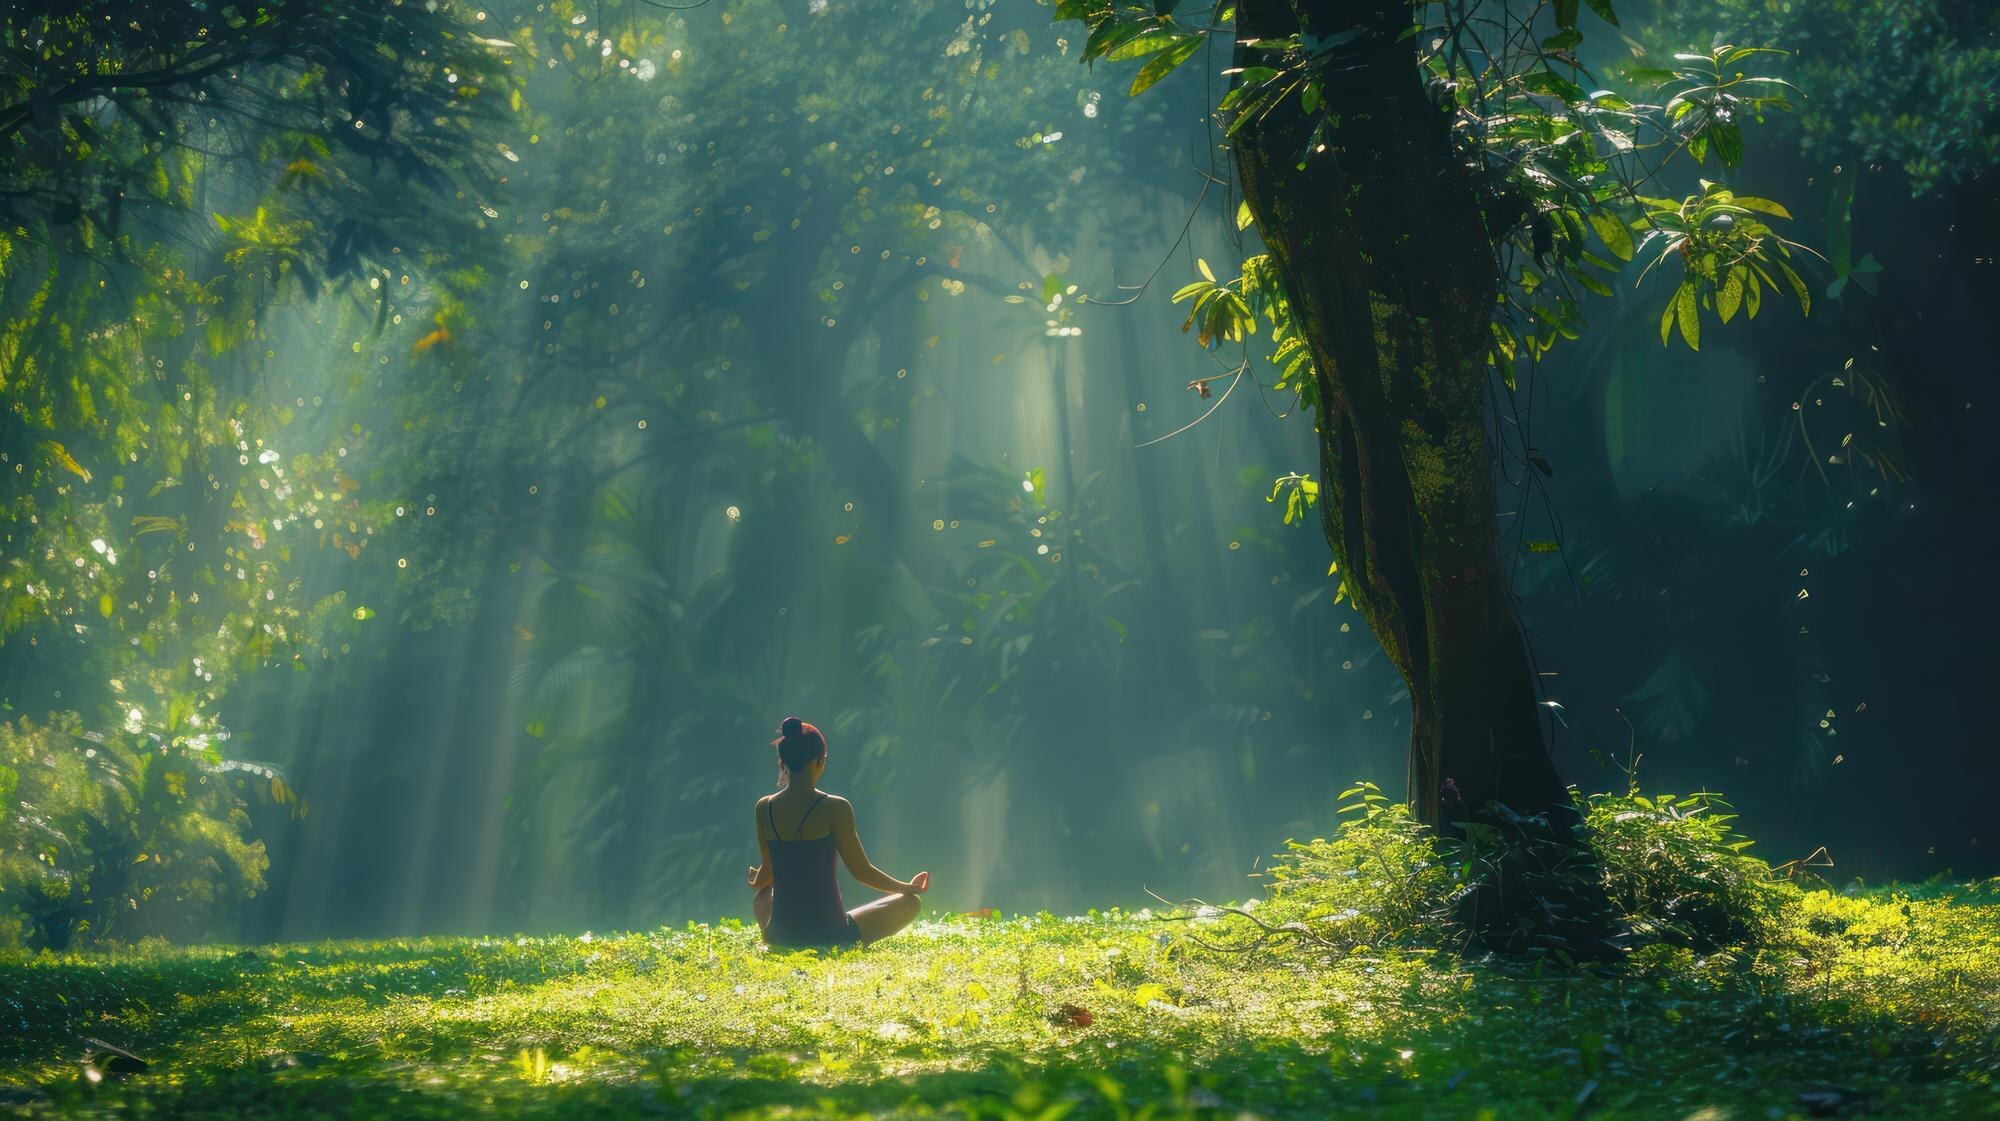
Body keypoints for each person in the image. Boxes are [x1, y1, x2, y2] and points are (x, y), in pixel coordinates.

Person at [749, 716, 929, 948]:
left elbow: (766, 875)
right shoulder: (835, 807)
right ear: (820, 761)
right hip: (831, 933)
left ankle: (778, 935)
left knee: (763, 896)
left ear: (782, 762)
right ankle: (831, 935)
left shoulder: (764, 808)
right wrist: (908, 888)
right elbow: (862, 872)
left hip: (780, 934)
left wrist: (756, 878)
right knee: (911, 903)